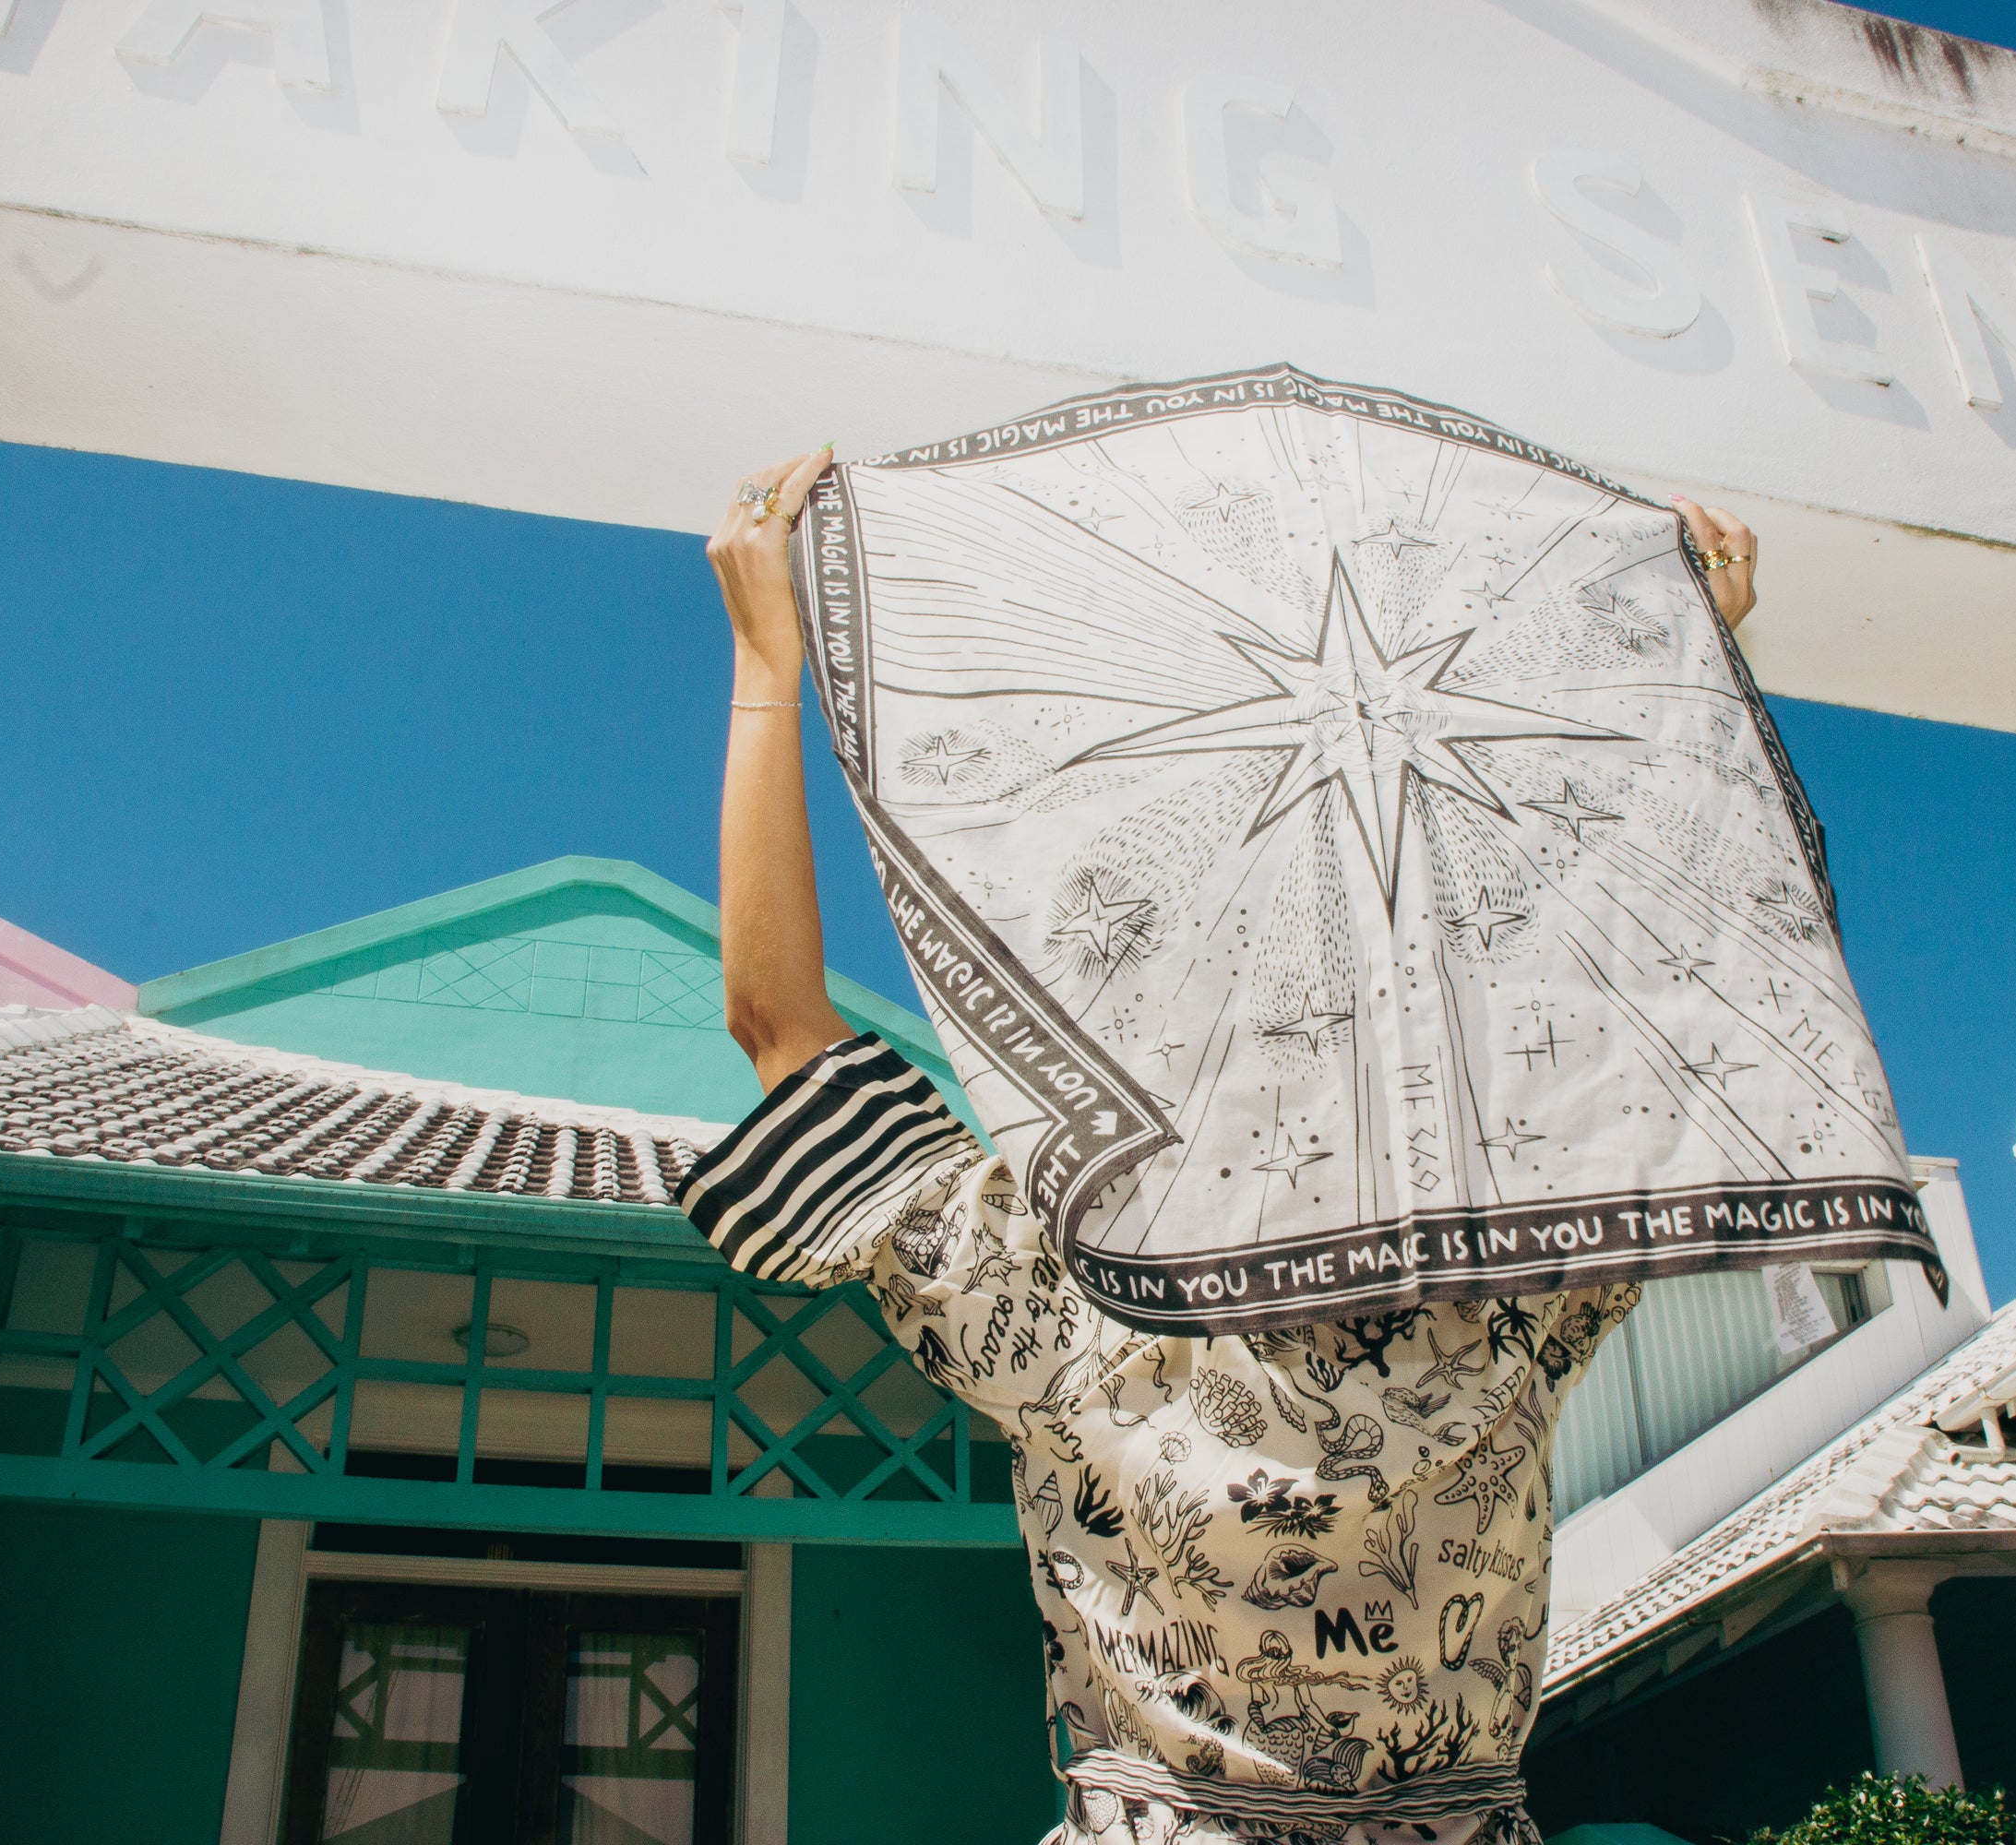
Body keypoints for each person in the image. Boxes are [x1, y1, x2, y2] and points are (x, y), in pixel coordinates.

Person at [687, 444, 1762, 1845]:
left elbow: (778, 1026)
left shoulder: (1064, 1307)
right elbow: (1668, 994)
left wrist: (768, 660)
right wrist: (1693, 672)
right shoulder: (1505, 1289)